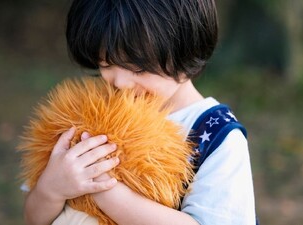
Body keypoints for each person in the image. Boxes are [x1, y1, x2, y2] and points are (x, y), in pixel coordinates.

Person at [23, 0, 256, 224]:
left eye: (139, 68)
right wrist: (50, 189)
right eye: (106, 64)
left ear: (186, 50)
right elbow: (34, 219)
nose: (121, 82)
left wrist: (103, 189)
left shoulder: (216, 136)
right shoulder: (91, 111)